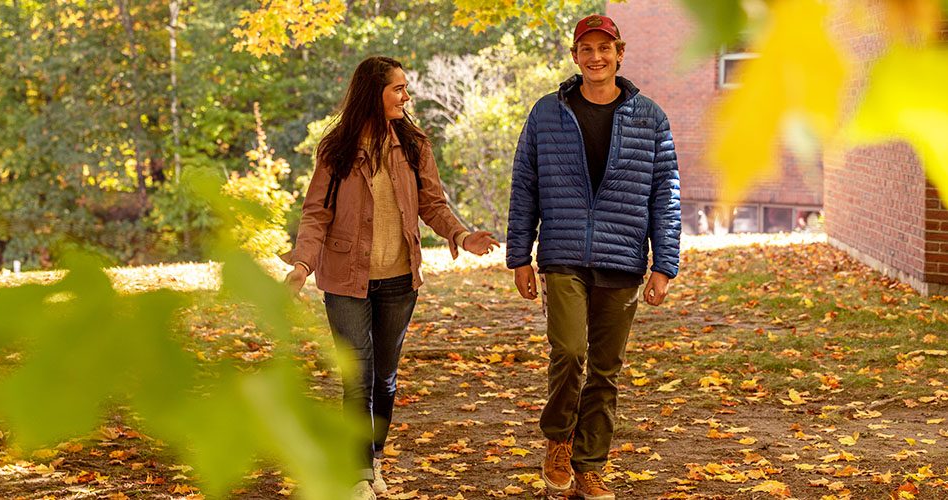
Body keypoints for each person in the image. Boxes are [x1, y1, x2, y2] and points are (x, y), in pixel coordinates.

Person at [284, 56, 499, 499]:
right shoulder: (337, 148)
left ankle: (374, 457)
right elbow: (316, 213)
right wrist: (302, 265)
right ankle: (359, 475)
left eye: (406, 88)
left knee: (384, 378)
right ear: (373, 93)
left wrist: (461, 233)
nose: (407, 96)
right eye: (398, 89)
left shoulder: (413, 143)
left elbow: (432, 204)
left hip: (400, 279)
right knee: (356, 377)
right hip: (345, 281)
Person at [505, 14, 681, 500]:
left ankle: (589, 466)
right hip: (562, 254)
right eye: (587, 48)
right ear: (575, 56)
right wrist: (520, 255)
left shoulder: (650, 117)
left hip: (623, 259)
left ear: (619, 53)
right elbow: (525, 186)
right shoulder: (547, 113)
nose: (596, 57)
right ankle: (559, 439)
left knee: (606, 370)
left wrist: (664, 264)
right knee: (569, 352)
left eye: (605, 48)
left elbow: (665, 194)